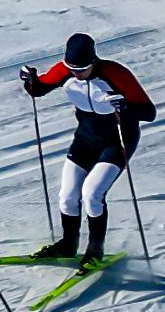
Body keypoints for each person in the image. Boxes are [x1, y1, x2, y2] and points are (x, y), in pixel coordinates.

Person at [20, 32, 156, 262]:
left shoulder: (115, 73)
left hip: (118, 140)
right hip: (86, 139)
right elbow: (38, 89)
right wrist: (29, 79)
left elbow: (149, 113)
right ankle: (68, 244)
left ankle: (95, 250)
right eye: (72, 68)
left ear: (94, 61)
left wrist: (125, 107)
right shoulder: (65, 70)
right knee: (67, 197)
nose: (76, 74)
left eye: (82, 69)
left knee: (92, 194)